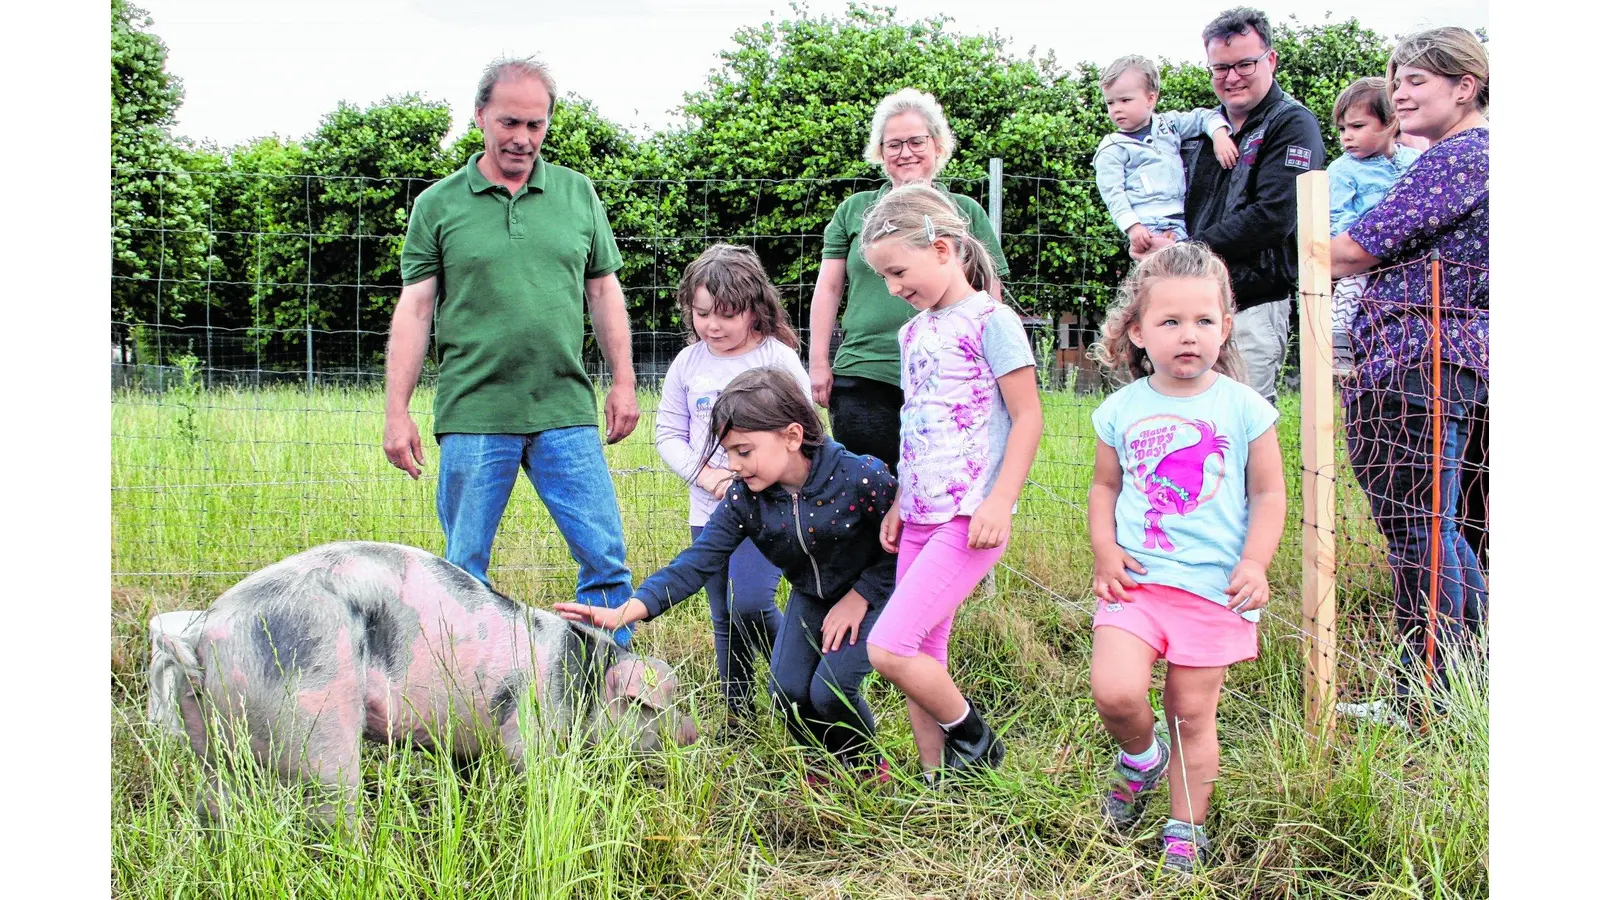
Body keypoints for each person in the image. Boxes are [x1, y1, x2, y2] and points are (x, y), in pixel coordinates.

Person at [382, 57, 641, 644]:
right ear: (479, 117)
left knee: (605, 561)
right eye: (508, 123)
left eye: (535, 124)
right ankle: (465, 698)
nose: (522, 138)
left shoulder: (578, 194)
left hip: (565, 409)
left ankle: (605, 686)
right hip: (474, 413)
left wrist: (623, 380)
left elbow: (603, 291)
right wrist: (397, 411)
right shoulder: (438, 205)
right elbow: (416, 309)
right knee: (463, 570)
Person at [558, 368, 899, 783]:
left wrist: (861, 596)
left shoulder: (859, 476)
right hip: (814, 596)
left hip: (877, 595)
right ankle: (823, 767)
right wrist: (628, 610)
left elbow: (906, 546)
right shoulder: (746, 498)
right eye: (728, 453)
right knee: (787, 692)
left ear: (792, 436)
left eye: (744, 451)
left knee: (831, 692)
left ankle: (867, 768)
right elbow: (698, 561)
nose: (734, 466)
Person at [1085, 242, 1286, 874]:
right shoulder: (1121, 409)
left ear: (1226, 327)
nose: (1188, 336)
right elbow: (1105, 487)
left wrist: (1254, 563)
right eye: (1170, 322)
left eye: (1203, 320)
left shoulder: (1244, 409)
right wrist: (1105, 549)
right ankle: (1141, 758)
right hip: (1138, 583)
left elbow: (1268, 491)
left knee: (1191, 715)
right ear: (1138, 332)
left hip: (1212, 591)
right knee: (1115, 692)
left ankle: (1185, 827)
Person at [856, 184, 1044, 782]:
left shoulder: (993, 320)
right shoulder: (911, 334)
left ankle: (975, 738)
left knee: (889, 647)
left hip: (970, 516)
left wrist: (1000, 502)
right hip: (919, 514)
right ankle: (939, 777)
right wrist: (901, 504)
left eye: (898, 271)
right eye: (883, 277)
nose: (892, 289)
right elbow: (917, 426)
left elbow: (1028, 416)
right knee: (923, 650)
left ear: (942, 249)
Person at [1330, 27, 1489, 707]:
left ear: (1465, 86)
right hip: (1439, 356)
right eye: (1396, 80)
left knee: (1417, 532)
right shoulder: (1476, 156)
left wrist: (1306, 243)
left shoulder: (1459, 159)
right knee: (1436, 528)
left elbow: (1356, 248)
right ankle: (1461, 685)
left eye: (1417, 79)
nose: (1399, 90)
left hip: (1415, 357)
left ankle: (1425, 696)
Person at [809, 88, 1009, 472]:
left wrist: (991, 364)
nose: (906, 152)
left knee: (937, 480)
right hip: (865, 369)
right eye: (894, 144)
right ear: (880, 153)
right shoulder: (854, 210)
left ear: (937, 146)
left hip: (948, 370)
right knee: (870, 483)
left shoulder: (965, 212)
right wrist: (819, 362)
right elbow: (829, 288)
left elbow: (990, 294)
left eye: (917, 141)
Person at [653, 243, 809, 718]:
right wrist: (708, 477)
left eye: (726, 314)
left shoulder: (777, 359)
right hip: (710, 510)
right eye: (702, 314)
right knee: (723, 618)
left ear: (755, 308)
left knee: (752, 604)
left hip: (770, 511)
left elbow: (805, 431)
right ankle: (737, 717)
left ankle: (805, 679)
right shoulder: (688, 364)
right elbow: (667, 434)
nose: (712, 327)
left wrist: (769, 479)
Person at [1161, 7, 1327, 406]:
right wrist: (1152, 237)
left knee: (1244, 416)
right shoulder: (1204, 129)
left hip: (1253, 300)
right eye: (1220, 68)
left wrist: (1185, 250)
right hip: (1192, 302)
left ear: (1270, 60)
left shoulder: (1292, 124)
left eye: (1244, 64)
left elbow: (1274, 217)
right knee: (1184, 413)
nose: (1232, 77)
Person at [1093, 54, 1239, 254]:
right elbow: (1112, 193)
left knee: (1186, 273)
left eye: (1125, 100)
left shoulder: (1169, 125)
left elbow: (1203, 116)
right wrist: (1132, 226)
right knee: (1157, 277)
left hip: (1179, 222)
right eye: (1110, 103)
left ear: (1150, 98)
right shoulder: (1112, 148)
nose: (1117, 109)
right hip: (1146, 227)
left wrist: (1220, 135)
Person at [1326, 76, 1421, 375]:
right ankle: (1339, 341)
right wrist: (1368, 240)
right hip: (1364, 253)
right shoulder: (1342, 169)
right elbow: (1338, 216)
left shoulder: (1416, 160)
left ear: (1391, 123)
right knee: (1351, 290)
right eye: (1342, 129)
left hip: (1409, 258)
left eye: (1357, 127)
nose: (1346, 137)